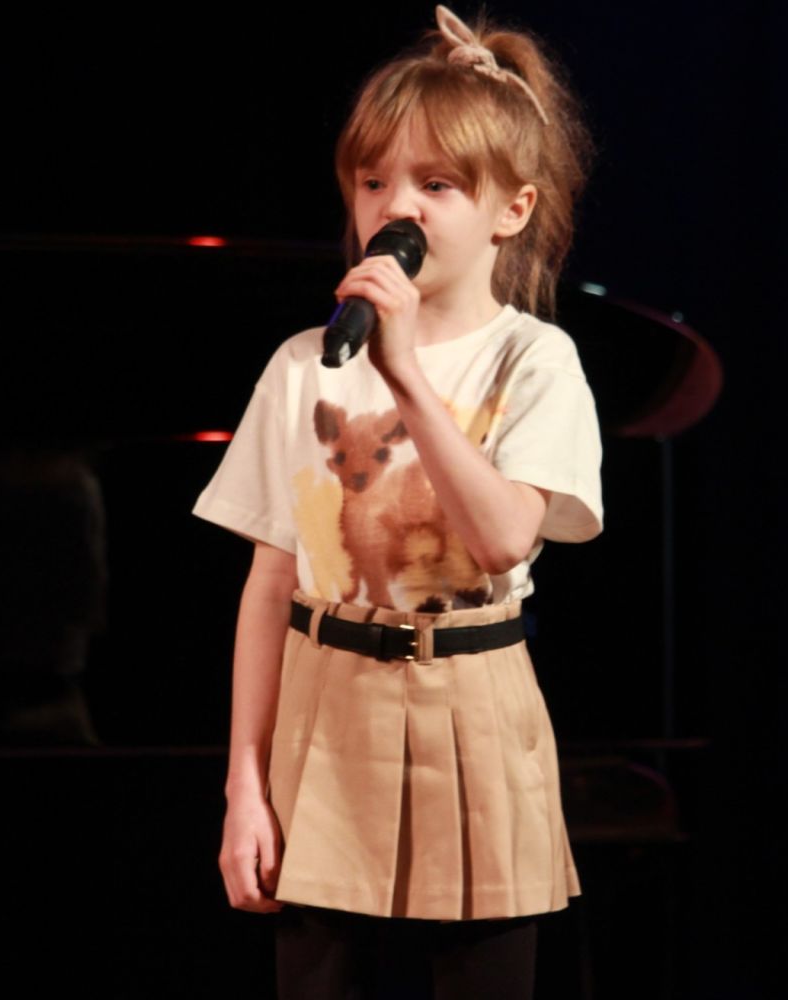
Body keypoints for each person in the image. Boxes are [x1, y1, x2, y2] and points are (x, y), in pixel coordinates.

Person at [191, 6, 602, 997]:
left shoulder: (534, 359)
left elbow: (504, 539)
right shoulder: (304, 364)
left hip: (473, 712)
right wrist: (244, 784)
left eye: (435, 184)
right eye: (373, 180)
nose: (395, 207)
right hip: (325, 716)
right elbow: (270, 582)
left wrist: (406, 370)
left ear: (511, 209)